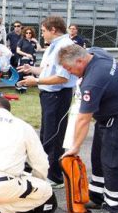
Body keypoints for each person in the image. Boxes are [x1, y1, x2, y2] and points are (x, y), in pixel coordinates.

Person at [59, 45, 118, 213]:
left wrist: (74, 147)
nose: (70, 73)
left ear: (80, 61)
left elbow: (83, 119)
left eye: (70, 68)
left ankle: (113, 207)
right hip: (108, 116)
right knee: (97, 157)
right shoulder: (96, 53)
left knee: (112, 162)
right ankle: (97, 196)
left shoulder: (94, 80)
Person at [17, 16, 77, 189]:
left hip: (58, 96)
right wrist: (32, 70)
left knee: (54, 136)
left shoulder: (65, 46)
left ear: (53, 30)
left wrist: (36, 82)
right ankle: (45, 170)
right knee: (46, 134)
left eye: (43, 30)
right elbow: (47, 71)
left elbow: (61, 78)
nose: (41, 34)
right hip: (49, 96)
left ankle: (55, 176)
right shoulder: (55, 45)